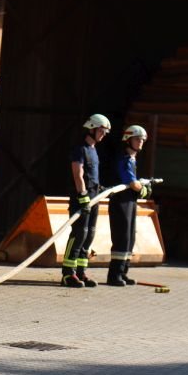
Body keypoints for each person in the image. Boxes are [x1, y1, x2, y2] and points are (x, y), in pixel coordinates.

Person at [61, 114, 110, 288]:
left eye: (105, 132)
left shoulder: (93, 149)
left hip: (94, 197)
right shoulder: (80, 149)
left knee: (89, 234)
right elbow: (78, 174)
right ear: (92, 128)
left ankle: (81, 271)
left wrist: (99, 189)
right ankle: (68, 274)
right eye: (101, 131)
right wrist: (82, 195)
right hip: (82, 198)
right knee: (79, 233)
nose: (103, 134)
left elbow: (91, 175)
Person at [108, 124, 150, 286]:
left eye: (142, 140)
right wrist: (143, 189)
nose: (140, 142)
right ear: (128, 140)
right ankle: (114, 275)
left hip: (129, 201)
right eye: (137, 139)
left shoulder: (132, 159)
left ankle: (124, 272)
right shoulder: (124, 159)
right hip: (121, 202)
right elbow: (131, 182)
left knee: (130, 237)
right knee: (122, 237)